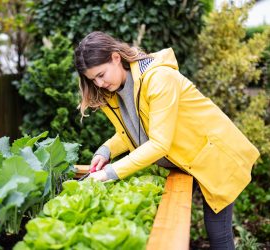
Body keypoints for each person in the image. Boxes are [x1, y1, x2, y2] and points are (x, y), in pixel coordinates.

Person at [74, 31, 260, 249]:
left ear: (116, 57)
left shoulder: (158, 78)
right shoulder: (118, 90)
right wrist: (105, 151)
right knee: (173, 223)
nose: (99, 83)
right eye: (92, 79)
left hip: (215, 156)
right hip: (185, 160)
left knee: (218, 234)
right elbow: (134, 132)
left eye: (101, 74)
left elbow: (159, 143)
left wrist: (109, 173)